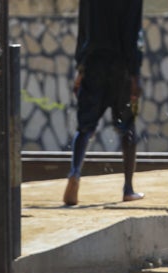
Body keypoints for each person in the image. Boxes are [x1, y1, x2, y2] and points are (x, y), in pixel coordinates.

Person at [63, 0, 144, 206]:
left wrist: (80, 68)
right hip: (121, 67)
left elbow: (83, 30)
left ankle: (75, 172)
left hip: (93, 63)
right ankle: (128, 188)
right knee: (127, 127)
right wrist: (135, 75)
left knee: (85, 127)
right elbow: (133, 32)